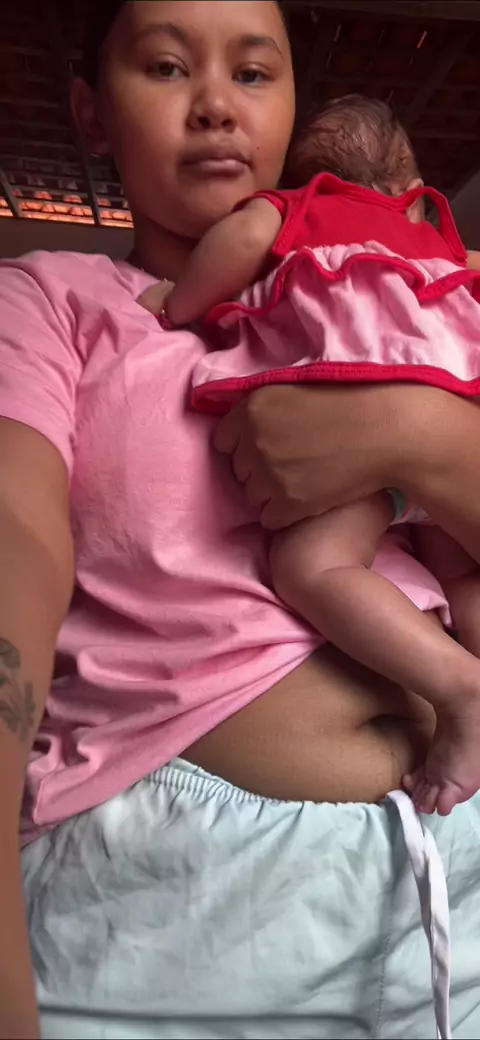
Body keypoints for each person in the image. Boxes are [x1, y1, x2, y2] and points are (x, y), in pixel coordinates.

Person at [1, 2, 480, 1038]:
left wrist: (420, 437)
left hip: (459, 891)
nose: (217, 105)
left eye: (254, 73)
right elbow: (15, 540)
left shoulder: (386, 297)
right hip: (182, 928)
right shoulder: (51, 301)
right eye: (168, 66)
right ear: (91, 112)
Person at [151, 94, 480, 818]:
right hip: (457, 417)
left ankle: (462, 690)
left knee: (314, 568)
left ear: (307, 178)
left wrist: (179, 305)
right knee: (460, 574)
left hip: (353, 430)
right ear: (412, 189)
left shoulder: (299, 208)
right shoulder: (433, 240)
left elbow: (235, 246)